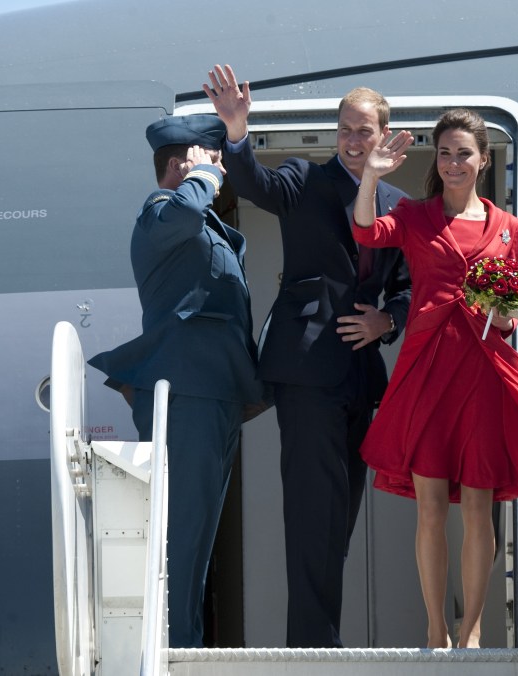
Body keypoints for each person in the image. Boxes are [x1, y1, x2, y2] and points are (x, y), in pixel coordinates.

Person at [351, 108, 518, 649]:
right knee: (431, 507)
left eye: (464, 153)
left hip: (480, 369)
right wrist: (371, 176)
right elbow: (366, 228)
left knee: (479, 506)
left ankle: (473, 627)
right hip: (429, 366)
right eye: (446, 152)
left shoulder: (509, 229)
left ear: (482, 160)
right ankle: (436, 628)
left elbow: (511, 310)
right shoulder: (415, 215)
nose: (454, 162)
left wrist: (505, 314)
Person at [201, 64, 412, 648]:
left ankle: (316, 643)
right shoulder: (304, 180)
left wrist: (387, 319)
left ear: (384, 134)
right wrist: (237, 131)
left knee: (336, 520)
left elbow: (412, 285)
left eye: (364, 130)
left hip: (361, 378)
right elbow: (252, 184)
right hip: (307, 370)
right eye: (344, 128)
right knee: (314, 518)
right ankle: (315, 651)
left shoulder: (399, 206)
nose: (351, 139)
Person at [88, 114, 267, 648]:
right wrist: (202, 179)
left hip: (214, 395)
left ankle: (181, 649)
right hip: (185, 395)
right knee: (179, 541)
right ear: (179, 165)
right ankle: (173, 652)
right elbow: (185, 211)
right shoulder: (163, 211)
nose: (221, 170)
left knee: (196, 541)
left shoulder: (206, 226)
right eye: (213, 160)